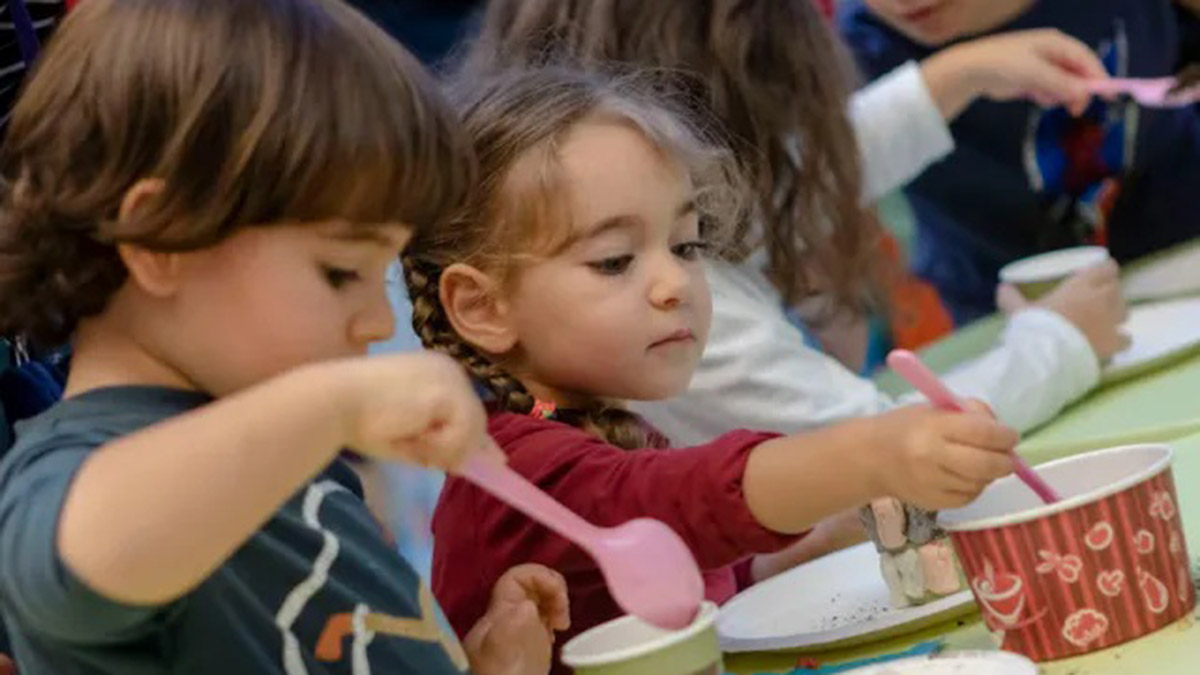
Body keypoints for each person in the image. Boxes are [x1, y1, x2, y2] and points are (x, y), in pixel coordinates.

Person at [0, 1, 567, 673]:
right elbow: (85, 552)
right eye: (339, 271)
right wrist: (334, 404)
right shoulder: (71, 475)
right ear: (160, 241)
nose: (379, 323)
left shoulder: (292, 456)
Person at [403, 66, 1019, 671]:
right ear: (483, 307)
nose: (675, 283)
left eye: (687, 245)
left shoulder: (598, 423)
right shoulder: (517, 473)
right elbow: (676, 500)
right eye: (615, 260)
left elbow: (680, 568)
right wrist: (869, 455)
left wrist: (790, 554)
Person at [839, 0, 1200, 322]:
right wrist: (954, 75)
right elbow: (809, 186)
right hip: (1009, 318)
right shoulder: (852, 51)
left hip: (1183, 257)